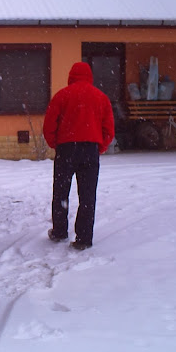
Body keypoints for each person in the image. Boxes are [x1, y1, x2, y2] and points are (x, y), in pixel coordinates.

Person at [42, 62, 115, 250]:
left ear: (71, 76)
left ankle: (59, 231)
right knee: (88, 195)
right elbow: (109, 128)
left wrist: (55, 144)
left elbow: (49, 124)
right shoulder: (101, 98)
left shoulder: (62, 96)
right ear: (90, 76)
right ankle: (83, 238)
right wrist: (100, 146)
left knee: (61, 192)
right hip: (90, 150)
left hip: (66, 149)